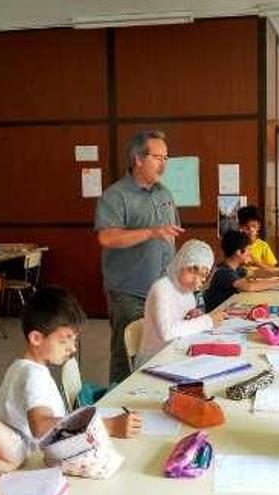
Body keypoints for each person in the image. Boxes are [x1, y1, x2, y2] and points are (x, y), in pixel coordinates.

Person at [0, 286, 141, 453]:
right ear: (36, 338)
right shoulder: (34, 376)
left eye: (74, 340)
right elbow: (41, 426)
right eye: (64, 341)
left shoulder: (18, 368)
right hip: (35, 466)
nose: (72, 349)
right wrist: (109, 426)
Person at [95, 130, 183, 383]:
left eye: (167, 158)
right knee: (127, 351)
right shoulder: (115, 196)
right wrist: (151, 232)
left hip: (164, 288)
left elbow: (170, 239)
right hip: (128, 292)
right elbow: (107, 238)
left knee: (162, 347)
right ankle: (117, 405)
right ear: (138, 159)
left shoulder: (164, 193)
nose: (164, 164)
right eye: (158, 157)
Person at [137, 240, 226, 367]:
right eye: (191, 271)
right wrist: (207, 321)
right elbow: (167, 332)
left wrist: (194, 316)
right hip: (154, 361)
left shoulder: (188, 293)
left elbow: (182, 323)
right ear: (180, 263)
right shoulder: (162, 288)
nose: (196, 280)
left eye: (202, 276)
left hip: (177, 352)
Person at [203, 231, 279, 312]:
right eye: (248, 250)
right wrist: (278, 282)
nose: (250, 253)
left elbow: (255, 273)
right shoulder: (223, 272)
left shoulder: (236, 268)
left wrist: (277, 273)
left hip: (226, 310)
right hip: (214, 315)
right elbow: (249, 287)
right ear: (239, 252)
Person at [237, 206, 279, 271]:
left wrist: (256, 263)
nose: (251, 230)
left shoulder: (263, 246)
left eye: (254, 226)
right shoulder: (236, 245)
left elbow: (275, 268)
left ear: (259, 226)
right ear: (240, 226)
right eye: (246, 227)